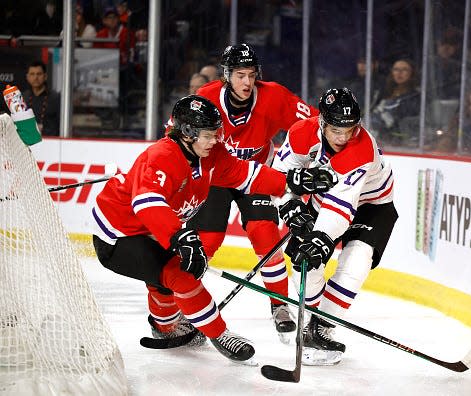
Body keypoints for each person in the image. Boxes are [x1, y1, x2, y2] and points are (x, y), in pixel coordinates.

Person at [91, 95, 335, 363]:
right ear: (187, 133)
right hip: (118, 235)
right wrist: (179, 236)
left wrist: (292, 182)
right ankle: (220, 334)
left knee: (163, 281)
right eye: (208, 135)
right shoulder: (162, 156)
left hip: (152, 229)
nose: (215, 140)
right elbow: (147, 203)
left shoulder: (210, 154)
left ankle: (165, 328)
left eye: (216, 133)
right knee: (180, 275)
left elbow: (247, 174)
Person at [191, 43, 318, 343]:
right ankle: (185, 307)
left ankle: (279, 306)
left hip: (257, 174)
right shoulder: (206, 97)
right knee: (205, 242)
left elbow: (315, 126)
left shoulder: (274, 96)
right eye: (239, 75)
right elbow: (181, 140)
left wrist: (317, 161)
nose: (247, 83)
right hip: (219, 176)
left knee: (265, 234)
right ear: (226, 75)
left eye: (250, 75)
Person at [272, 88, 398, 365]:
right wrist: (289, 204)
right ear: (322, 123)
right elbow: (278, 177)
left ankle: (322, 327)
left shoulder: (361, 149)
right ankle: (312, 323)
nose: (343, 138)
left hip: (372, 206)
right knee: (303, 262)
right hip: (324, 200)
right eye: (336, 130)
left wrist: (321, 238)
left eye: (349, 130)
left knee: (356, 262)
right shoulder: (300, 133)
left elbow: (341, 206)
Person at [370, 58, 420, 147]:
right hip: (373, 137)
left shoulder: (415, 96)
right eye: (396, 69)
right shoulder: (384, 92)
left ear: (412, 73)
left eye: (404, 69)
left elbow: (404, 122)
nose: (399, 73)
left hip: (396, 142)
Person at [22, 61, 60, 136]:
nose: (35, 77)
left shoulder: (55, 98)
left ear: (45, 76)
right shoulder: (23, 97)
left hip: (51, 141)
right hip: (27, 141)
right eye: (32, 74)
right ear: (27, 77)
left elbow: (60, 124)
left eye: (39, 74)